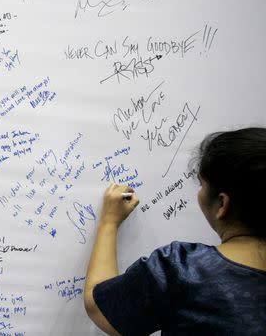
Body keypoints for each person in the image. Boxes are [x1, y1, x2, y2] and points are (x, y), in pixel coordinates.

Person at [84, 128, 266, 335]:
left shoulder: (182, 269)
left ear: (222, 204)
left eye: (201, 185)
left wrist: (109, 222)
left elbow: (99, 305)